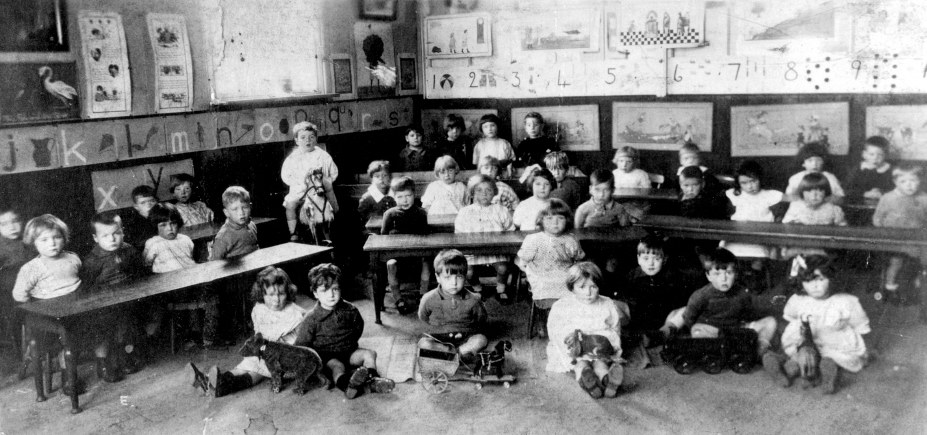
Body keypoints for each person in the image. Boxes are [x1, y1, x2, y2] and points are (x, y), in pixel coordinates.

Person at [193, 267, 311, 397]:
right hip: (264, 351)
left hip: (284, 360)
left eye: (281, 294)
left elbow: (304, 341)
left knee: (256, 372)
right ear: (262, 294)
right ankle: (210, 381)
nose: (276, 299)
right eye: (271, 295)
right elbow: (259, 332)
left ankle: (222, 386)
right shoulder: (260, 309)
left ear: (288, 292)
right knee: (243, 366)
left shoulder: (295, 314)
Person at [762, 256, 870, 394]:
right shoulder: (798, 300)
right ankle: (783, 372)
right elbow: (792, 319)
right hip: (807, 341)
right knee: (799, 356)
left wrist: (865, 351)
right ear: (801, 282)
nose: (815, 285)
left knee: (834, 359)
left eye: (820, 279)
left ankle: (827, 377)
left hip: (834, 344)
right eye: (808, 281)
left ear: (831, 279)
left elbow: (860, 326)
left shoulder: (846, 301)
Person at [297, 263, 395, 399]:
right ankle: (348, 386)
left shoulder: (350, 309)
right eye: (324, 290)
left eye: (335, 289)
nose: (331, 295)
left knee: (370, 354)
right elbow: (302, 344)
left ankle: (373, 380)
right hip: (327, 356)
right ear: (315, 293)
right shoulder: (311, 318)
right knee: (337, 367)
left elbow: (358, 327)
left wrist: (350, 343)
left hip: (349, 351)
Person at [12, 215, 84, 394]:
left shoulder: (72, 258)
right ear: (33, 242)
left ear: (64, 238)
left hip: (75, 310)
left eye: (57, 237)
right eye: (44, 239)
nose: (52, 243)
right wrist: (39, 308)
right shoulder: (32, 268)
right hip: (48, 317)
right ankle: (68, 376)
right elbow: (19, 295)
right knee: (63, 336)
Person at [670, 248, 777, 357]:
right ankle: (716, 350)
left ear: (735, 274)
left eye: (729, 273)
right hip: (711, 330)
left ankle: (760, 350)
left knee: (770, 322)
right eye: (717, 274)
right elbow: (689, 318)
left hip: (735, 330)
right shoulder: (701, 295)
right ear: (708, 276)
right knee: (697, 331)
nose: (724, 278)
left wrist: (746, 326)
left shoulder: (742, 293)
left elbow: (749, 312)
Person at [80, 211, 147, 381]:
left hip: (128, 298)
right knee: (105, 332)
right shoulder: (92, 260)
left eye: (116, 233)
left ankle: (126, 358)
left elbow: (139, 274)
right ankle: (105, 364)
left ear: (123, 232)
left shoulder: (129, 250)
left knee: (128, 328)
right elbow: (86, 287)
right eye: (105, 236)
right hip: (103, 305)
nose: (112, 239)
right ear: (95, 238)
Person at [546, 262, 624, 399]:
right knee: (580, 364)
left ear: (599, 286)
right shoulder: (562, 305)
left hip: (598, 346)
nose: (588, 293)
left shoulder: (607, 303)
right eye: (581, 287)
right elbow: (554, 329)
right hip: (576, 347)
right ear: (572, 287)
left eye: (593, 287)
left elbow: (615, 328)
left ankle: (608, 380)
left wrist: (609, 344)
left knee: (601, 362)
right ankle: (589, 381)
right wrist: (569, 338)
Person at [518, 199, 585, 337]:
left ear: (567, 220)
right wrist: (529, 272)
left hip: (564, 275)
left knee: (575, 289)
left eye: (560, 218)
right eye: (549, 218)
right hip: (541, 276)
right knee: (544, 290)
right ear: (541, 220)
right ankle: (543, 320)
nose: (555, 222)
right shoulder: (533, 239)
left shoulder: (570, 239)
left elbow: (578, 260)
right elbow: (523, 261)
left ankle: (570, 325)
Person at [617, 235, 695, 349]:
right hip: (637, 320)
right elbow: (625, 301)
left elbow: (680, 302)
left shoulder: (673, 277)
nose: (651, 264)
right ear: (638, 259)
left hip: (664, 320)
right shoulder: (631, 277)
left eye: (656, 259)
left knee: (685, 310)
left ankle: (661, 334)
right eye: (646, 258)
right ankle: (626, 335)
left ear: (665, 260)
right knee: (615, 305)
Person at [418, 249, 489, 365]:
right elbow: (423, 316)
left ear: (465, 277)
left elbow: (481, 319)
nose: (454, 283)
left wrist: (469, 333)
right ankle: (456, 355)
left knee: (481, 340)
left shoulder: (474, 299)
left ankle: (453, 355)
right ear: (437, 277)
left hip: (465, 338)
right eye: (447, 278)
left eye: (459, 277)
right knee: (423, 343)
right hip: (438, 338)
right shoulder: (428, 298)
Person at [721, 161, 784, 291]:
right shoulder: (735, 195)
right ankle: (735, 284)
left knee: (758, 259)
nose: (749, 186)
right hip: (737, 237)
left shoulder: (769, 196)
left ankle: (754, 283)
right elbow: (726, 216)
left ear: (760, 178)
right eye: (744, 183)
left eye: (753, 181)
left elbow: (779, 219)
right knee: (727, 256)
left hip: (760, 237)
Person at [872, 164, 927, 304]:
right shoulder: (888, 198)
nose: (909, 185)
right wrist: (884, 233)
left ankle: (918, 286)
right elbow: (877, 218)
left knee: (920, 262)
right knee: (895, 262)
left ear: (920, 180)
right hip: (894, 239)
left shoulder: (923, 198)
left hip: (917, 239)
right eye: (903, 181)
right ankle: (890, 286)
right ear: (895, 182)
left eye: (913, 180)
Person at [455, 175, 515, 303]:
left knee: (503, 268)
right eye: (479, 190)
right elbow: (459, 235)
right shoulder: (465, 212)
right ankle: (477, 288)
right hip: (472, 251)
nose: (484, 194)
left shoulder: (501, 210)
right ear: (472, 192)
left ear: (494, 192)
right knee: (468, 272)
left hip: (496, 250)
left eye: (488, 190)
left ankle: (501, 289)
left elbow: (510, 231)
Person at [281, 121, 338, 242]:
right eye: (303, 138)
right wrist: (299, 184)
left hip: (319, 188)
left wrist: (325, 181)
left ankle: (335, 220)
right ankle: (293, 232)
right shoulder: (292, 158)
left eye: (311, 137)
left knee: (331, 199)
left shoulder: (323, 156)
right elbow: (286, 176)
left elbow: (333, 172)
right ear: (296, 141)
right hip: (300, 190)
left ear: (316, 139)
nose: (307, 141)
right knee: (290, 204)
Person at [381, 176, 431, 314]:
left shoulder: (421, 213)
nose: (405, 200)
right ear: (394, 197)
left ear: (414, 195)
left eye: (408, 195)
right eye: (400, 196)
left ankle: (423, 294)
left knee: (426, 260)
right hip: (397, 255)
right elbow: (383, 237)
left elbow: (425, 235)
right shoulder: (389, 214)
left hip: (416, 255)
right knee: (390, 263)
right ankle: (398, 299)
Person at [575, 169, 632, 279]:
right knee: (591, 266)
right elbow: (577, 232)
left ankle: (610, 287)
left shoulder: (619, 209)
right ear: (590, 189)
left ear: (613, 190)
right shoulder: (583, 209)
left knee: (612, 266)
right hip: (590, 248)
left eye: (606, 190)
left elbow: (626, 229)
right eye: (597, 189)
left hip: (612, 247)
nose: (601, 194)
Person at [781, 173, 847, 259]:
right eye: (809, 191)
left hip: (824, 248)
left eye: (819, 190)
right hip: (800, 246)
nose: (814, 195)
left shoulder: (834, 209)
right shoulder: (795, 207)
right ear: (802, 192)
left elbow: (844, 231)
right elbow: (784, 229)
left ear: (826, 191)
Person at [0, 206, 28, 347]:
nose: (12, 227)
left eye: (15, 221)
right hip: (10, 290)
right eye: (4, 224)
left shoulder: (31, 239)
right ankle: (20, 347)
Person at [209, 186, 258, 261]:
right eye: (235, 209)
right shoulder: (223, 236)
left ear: (250, 207)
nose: (241, 213)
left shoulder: (252, 225)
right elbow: (214, 262)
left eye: (245, 207)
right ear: (226, 212)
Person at [846, 136, 894, 202]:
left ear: (885, 155)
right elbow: (847, 188)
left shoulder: (890, 170)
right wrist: (864, 193)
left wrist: (882, 193)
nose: (875, 158)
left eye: (880, 155)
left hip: (884, 202)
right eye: (871, 154)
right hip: (860, 202)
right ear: (864, 154)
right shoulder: (858, 169)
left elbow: (896, 188)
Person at [357, 160, 396, 225]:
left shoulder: (395, 194)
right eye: (377, 176)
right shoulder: (367, 198)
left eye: (384, 175)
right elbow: (361, 220)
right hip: (373, 230)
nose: (381, 178)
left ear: (390, 177)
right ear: (372, 179)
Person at [121, 185, 158, 250]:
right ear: (136, 206)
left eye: (152, 201)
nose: (148, 205)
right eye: (143, 203)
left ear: (157, 202)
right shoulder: (132, 224)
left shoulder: (162, 218)